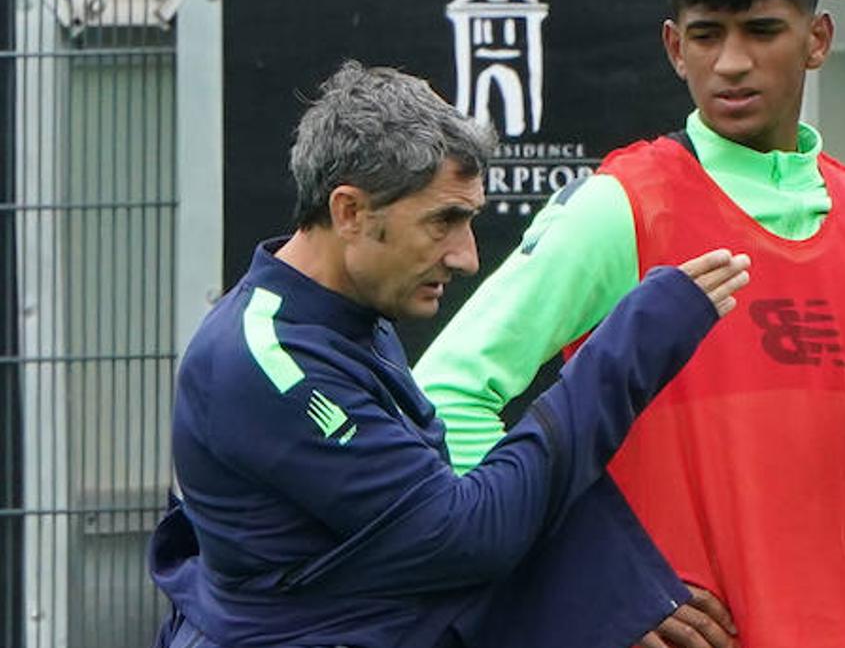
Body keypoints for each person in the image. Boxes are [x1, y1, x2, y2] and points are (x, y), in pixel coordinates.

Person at [415, 0, 845, 648]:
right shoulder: (623, 207)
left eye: (761, 31)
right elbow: (441, 399)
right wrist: (594, 579)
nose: (730, 62)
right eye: (706, 34)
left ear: (816, 38)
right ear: (672, 46)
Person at [147, 61, 752, 648]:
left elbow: (425, 542)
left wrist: (614, 590)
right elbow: (467, 537)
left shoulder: (349, 319)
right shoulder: (267, 361)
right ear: (349, 212)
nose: (466, 257)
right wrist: (627, 346)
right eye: (444, 222)